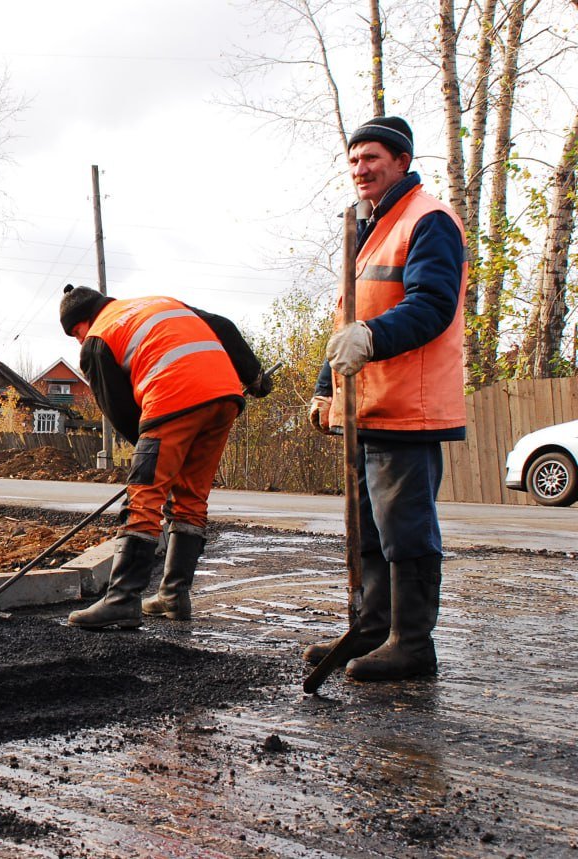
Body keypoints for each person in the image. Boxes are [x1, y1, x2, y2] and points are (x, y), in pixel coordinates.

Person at [306, 116, 467, 681]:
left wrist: (370, 339)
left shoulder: (429, 220)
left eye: (372, 157)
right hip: (366, 408)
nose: (360, 169)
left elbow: (431, 306)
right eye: (353, 160)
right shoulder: (370, 227)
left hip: (409, 407)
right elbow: (350, 318)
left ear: (401, 161)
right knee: (368, 528)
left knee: (404, 529)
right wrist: (327, 386)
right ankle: (373, 629)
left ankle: (412, 643)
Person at [59, 284, 271, 630]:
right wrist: (254, 376)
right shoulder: (158, 303)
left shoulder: (99, 337)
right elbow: (224, 327)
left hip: (174, 396)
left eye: (75, 334)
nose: (79, 341)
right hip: (224, 397)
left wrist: (151, 458)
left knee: (144, 496)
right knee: (191, 498)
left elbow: (120, 412)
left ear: (81, 323)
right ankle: (174, 595)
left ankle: (122, 600)